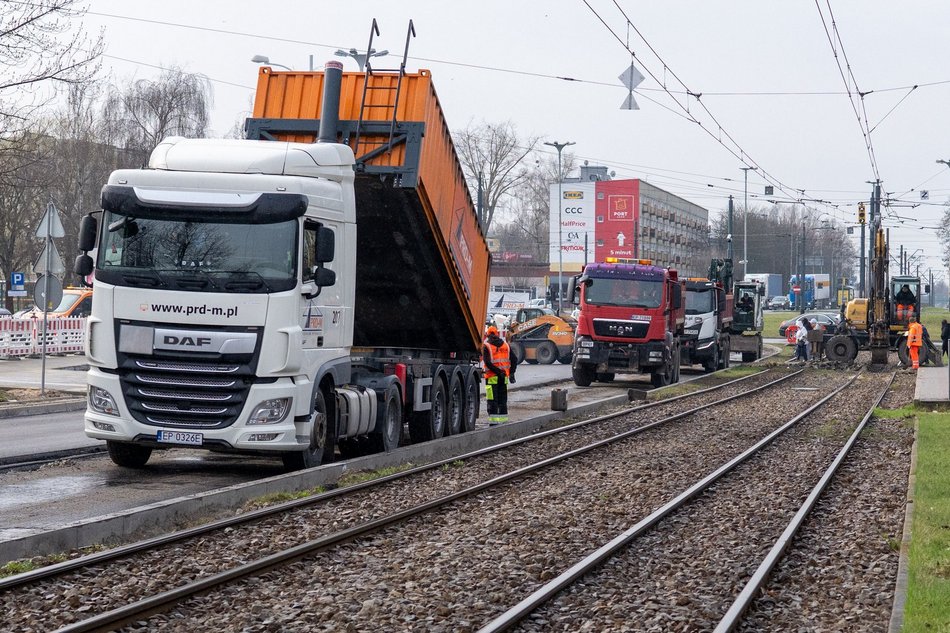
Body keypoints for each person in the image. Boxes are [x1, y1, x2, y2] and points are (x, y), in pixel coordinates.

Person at [483, 325, 515, 425]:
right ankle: (503, 422)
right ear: (497, 334)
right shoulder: (505, 345)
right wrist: (512, 373)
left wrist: (497, 372)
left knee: (492, 400)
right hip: (503, 377)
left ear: (488, 335)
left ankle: (494, 423)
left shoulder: (487, 346)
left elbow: (487, 362)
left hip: (492, 377)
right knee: (502, 400)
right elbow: (514, 359)